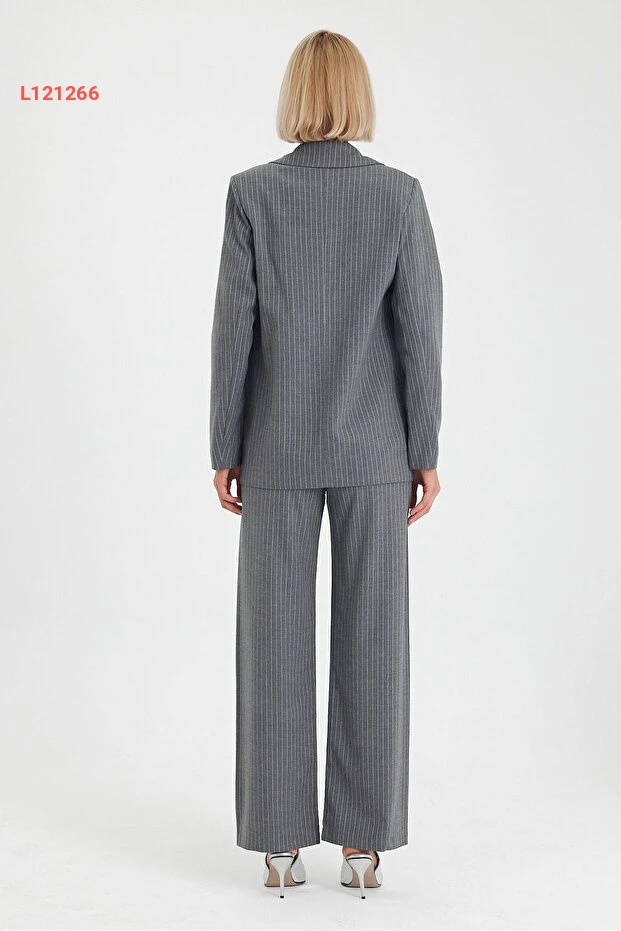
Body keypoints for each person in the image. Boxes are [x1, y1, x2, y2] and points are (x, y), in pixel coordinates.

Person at [209, 29, 443, 898]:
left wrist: (224, 446)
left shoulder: (252, 194)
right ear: (358, 96)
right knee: (375, 636)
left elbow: (233, 330)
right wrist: (424, 450)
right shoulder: (397, 196)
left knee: (270, 639)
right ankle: (363, 846)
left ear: (293, 96)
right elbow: (420, 334)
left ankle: (278, 847)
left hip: (273, 447)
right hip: (377, 450)